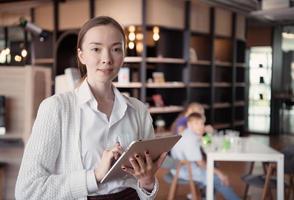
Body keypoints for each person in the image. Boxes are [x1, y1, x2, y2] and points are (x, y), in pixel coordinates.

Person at [15, 16, 166, 200]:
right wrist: (94, 176)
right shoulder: (56, 109)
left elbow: (145, 191)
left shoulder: (138, 110)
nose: (107, 59)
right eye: (96, 49)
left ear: (123, 55)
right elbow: (27, 191)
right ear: (81, 55)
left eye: (116, 49)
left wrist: (147, 183)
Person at [171, 112, 240, 200]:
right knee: (219, 180)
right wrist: (220, 174)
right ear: (189, 124)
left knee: (214, 174)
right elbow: (201, 164)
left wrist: (201, 135)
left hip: (178, 168)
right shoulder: (191, 140)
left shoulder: (186, 133)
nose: (200, 126)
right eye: (196, 123)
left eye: (202, 123)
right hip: (184, 170)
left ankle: (205, 195)